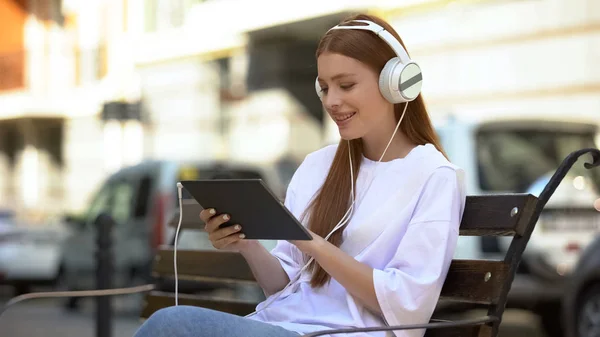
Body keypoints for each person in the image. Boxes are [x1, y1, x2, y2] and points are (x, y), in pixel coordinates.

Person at [133, 13, 466, 337]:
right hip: (283, 325)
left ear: (396, 83)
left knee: (172, 325)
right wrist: (248, 245)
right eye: (324, 87)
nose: (332, 101)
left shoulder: (433, 175)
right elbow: (284, 287)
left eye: (346, 85)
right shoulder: (318, 166)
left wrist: (313, 244)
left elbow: (408, 306)